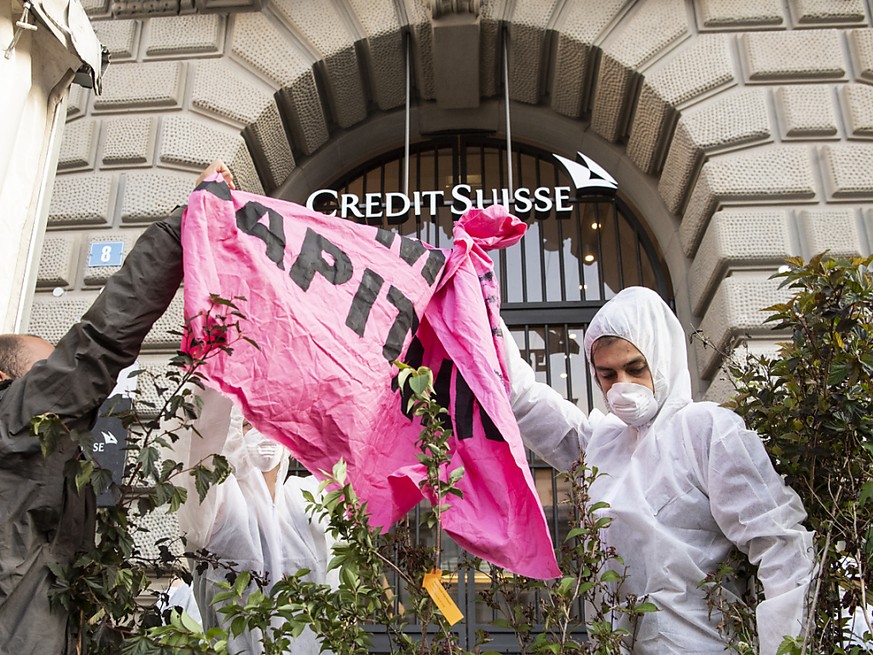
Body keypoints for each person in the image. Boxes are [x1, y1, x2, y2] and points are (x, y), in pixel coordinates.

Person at [0, 160, 235, 654]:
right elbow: (100, 341)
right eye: (45, 373)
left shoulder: (40, 462)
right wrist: (182, 224)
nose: (81, 398)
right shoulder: (18, 417)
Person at [503, 286, 814, 655]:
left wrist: (784, 646)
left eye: (635, 368)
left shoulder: (707, 431)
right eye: (607, 374)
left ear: (660, 356)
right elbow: (522, 396)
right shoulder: (603, 445)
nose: (622, 386)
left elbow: (780, 546)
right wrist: (478, 298)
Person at [175, 387, 337, 655]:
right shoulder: (220, 504)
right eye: (250, 423)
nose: (263, 434)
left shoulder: (307, 501)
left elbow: (353, 465)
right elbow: (203, 439)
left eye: (273, 426)